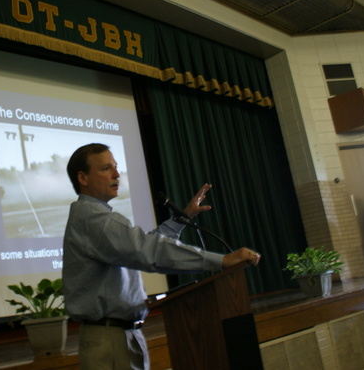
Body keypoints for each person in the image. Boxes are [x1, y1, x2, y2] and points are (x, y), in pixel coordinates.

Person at [62, 143, 261, 370]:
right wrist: (220, 261)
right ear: (83, 178)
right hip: (110, 339)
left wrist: (183, 217)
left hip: (123, 334)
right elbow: (147, 251)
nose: (117, 174)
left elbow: (143, 245)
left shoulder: (97, 216)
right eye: (106, 168)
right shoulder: (92, 218)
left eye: (116, 167)